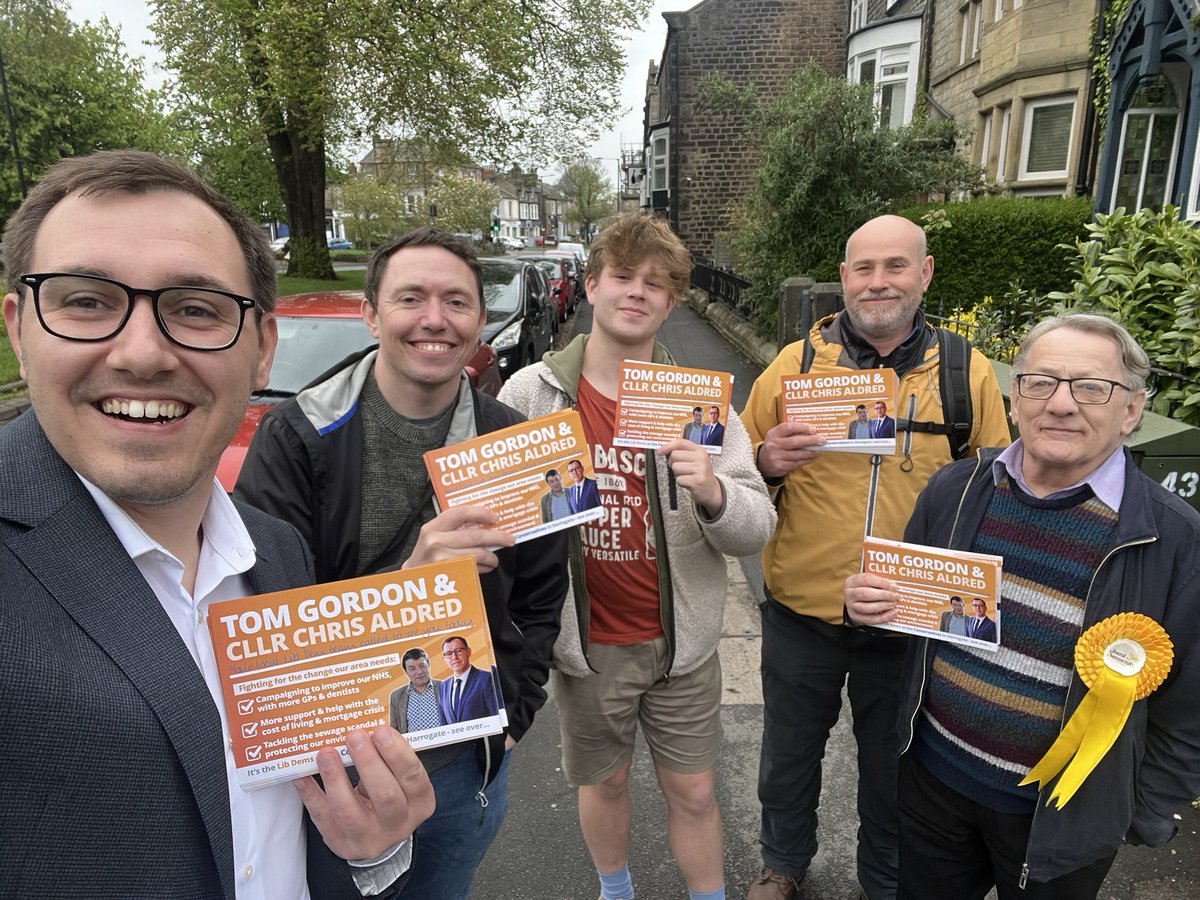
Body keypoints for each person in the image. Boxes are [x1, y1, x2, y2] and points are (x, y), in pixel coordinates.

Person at [0, 149, 434, 898]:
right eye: (86, 302)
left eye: (195, 310)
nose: (142, 353)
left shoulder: (279, 551)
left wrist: (370, 856)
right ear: (18, 327)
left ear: (262, 348)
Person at [233, 227, 569, 899]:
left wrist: (512, 719)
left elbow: (539, 601)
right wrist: (409, 584)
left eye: (456, 302)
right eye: (410, 297)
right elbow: (262, 622)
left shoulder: (515, 444)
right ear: (372, 313)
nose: (434, 319)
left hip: (460, 762)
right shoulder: (293, 437)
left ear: (479, 323)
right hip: (333, 764)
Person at [846, 313, 1200, 898]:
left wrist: (1143, 810)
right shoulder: (954, 489)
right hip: (935, 782)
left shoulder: (1175, 539)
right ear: (1015, 401)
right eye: (1041, 382)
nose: (1060, 404)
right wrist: (872, 611)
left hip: (1061, 816)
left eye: (1092, 388)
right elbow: (907, 626)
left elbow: (1189, 704)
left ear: (1131, 411)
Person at [499, 212, 776, 900]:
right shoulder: (530, 394)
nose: (637, 292)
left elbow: (755, 528)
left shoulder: (703, 405)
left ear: (673, 301)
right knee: (607, 780)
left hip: (682, 643)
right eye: (622, 276)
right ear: (590, 286)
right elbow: (494, 522)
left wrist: (712, 491)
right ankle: (615, 889)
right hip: (589, 645)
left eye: (656, 283)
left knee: (694, 790)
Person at [741, 214, 1010, 900]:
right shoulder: (795, 365)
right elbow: (735, 470)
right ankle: (782, 863)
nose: (878, 281)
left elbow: (995, 492)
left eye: (896, 266)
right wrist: (766, 460)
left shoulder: (963, 371)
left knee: (895, 770)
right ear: (843, 280)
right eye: (864, 268)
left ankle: (885, 882)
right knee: (787, 758)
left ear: (923, 275)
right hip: (803, 610)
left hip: (909, 619)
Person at [437, 636, 501, 724]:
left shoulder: (486, 678)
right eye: (448, 653)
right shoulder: (443, 685)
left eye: (458, 651)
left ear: (468, 652)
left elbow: (496, 717)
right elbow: (443, 723)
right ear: (444, 659)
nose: (454, 657)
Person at [391, 648, 441, 733]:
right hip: (412, 746)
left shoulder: (446, 687)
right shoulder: (397, 696)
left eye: (422, 666)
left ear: (428, 665)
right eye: (412, 669)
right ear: (406, 672)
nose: (419, 672)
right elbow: (394, 730)